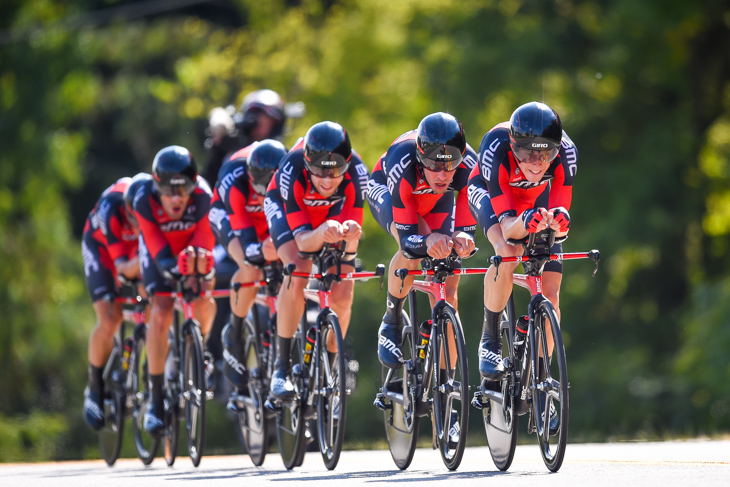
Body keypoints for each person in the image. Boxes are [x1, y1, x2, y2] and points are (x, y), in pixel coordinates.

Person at [468, 101, 577, 432]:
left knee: (552, 292)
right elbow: (509, 228)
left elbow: (562, 222)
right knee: (507, 250)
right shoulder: (496, 148)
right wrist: (527, 223)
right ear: (514, 147)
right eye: (528, 154)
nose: (537, 162)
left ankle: (541, 375)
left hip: (534, 202)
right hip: (493, 196)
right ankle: (489, 338)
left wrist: (556, 223)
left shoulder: (567, 154)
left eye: (545, 154)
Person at [264, 121, 369, 400]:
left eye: (336, 173)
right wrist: (322, 232)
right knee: (298, 269)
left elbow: (350, 245)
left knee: (344, 293)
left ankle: (332, 372)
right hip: (289, 214)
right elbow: (302, 243)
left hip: (326, 219)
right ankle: (281, 368)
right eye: (320, 171)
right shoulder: (292, 168)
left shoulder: (358, 172)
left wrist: (349, 240)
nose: (327, 179)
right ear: (308, 164)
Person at [367, 112, 477, 371]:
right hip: (391, 193)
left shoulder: (469, 166)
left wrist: (464, 237)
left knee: (449, 290)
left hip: (436, 201)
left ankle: (446, 380)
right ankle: (391, 320)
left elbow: (465, 224)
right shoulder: (402, 161)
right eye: (433, 165)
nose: (442, 174)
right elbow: (408, 240)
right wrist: (427, 241)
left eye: (450, 165)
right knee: (414, 252)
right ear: (419, 157)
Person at [133, 146, 217, 437]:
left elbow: (205, 242)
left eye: (184, 191)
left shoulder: (204, 196)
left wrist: (198, 269)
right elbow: (156, 247)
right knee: (162, 310)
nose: (178, 198)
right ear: (157, 188)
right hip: (159, 252)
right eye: (169, 192)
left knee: (203, 290)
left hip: (192, 248)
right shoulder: (143, 199)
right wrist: (173, 268)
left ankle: (199, 349)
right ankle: (156, 399)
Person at [208, 139, 287, 392]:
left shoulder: (287, 175)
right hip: (230, 216)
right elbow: (246, 238)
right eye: (260, 189)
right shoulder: (234, 177)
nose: (264, 194)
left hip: (265, 218)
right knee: (250, 265)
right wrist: (257, 250)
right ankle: (235, 332)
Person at [81, 173, 151, 430]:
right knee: (111, 317)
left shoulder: (153, 202)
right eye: (134, 220)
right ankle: (95, 389)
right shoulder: (112, 206)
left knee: (155, 297)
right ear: (127, 210)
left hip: (133, 251)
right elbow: (122, 269)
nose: (136, 226)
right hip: (102, 250)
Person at [201, 90, 287, 187]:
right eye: (255, 117)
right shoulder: (232, 142)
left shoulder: (279, 154)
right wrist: (221, 137)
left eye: (267, 121)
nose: (259, 124)